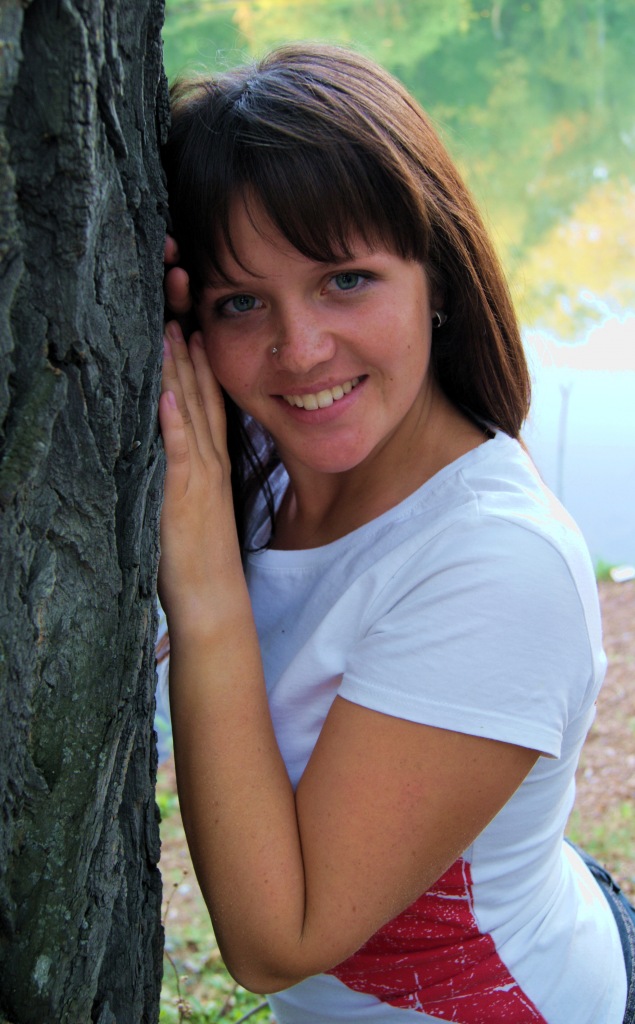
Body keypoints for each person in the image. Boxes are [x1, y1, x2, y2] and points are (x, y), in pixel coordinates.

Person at [157, 43, 634, 1024]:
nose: (299, 350)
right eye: (241, 301)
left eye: (345, 280)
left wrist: (203, 587)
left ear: (436, 277)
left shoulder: (496, 564)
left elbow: (277, 941)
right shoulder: (254, 466)